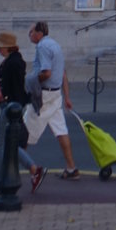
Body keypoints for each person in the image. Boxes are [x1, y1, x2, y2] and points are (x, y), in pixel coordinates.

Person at [0, 31, 46, 200]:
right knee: (8, 144)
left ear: (6, 47)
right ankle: (33, 170)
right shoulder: (14, 61)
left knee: (0, 144)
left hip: (10, 107)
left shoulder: (13, 63)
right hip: (12, 105)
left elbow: (16, 87)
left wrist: (13, 103)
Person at [25, 21, 80, 179]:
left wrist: (32, 79)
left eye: (31, 31)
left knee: (24, 131)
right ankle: (71, 168)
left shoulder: (42, 47)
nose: (29, 34)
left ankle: (12, 166)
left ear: (39, 33)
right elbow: (62, 73)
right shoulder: (56, 45)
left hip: (44, 96)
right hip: (55, 95)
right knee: (61, 130)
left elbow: (46, 73)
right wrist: (67, 97)